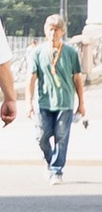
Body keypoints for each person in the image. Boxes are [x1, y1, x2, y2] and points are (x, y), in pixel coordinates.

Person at [30, 17, 85, 177]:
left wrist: (81, 103)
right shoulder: (37, 52)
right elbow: (31, 79)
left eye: (56, 29)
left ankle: (56, 170)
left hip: (65, 102)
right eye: (50, 29)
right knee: (41, 137)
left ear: (62, 32)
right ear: (45, 30)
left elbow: (77, 79)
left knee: (61, 137)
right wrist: (28, 103)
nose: (53, 33)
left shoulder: (70, 52)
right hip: (44, 102)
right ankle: (50, 160)